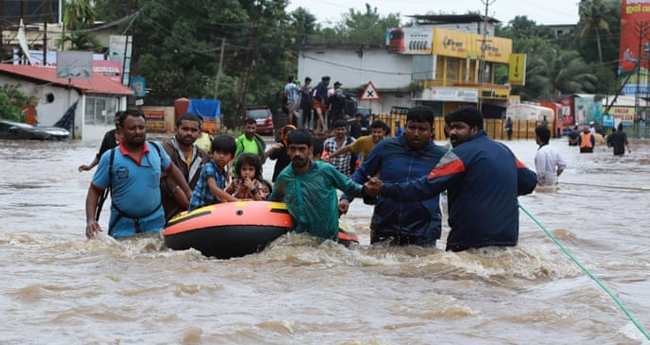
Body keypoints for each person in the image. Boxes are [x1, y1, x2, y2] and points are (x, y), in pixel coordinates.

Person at [364, 106, 537, 252]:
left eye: (459, 128)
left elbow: (425, 187)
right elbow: (529, 181)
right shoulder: (504, 150)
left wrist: (384, 189)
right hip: (507, 239)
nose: (453, 132)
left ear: (474, 129)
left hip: (468, 240)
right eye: (451, 127)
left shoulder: (458, 155)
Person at [339, 106, 447, 247]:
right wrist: (346, 198)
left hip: (423, 230)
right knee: (378, 266)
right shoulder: (386, 146)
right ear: (405, 126)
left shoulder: (442, 156)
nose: (416, 133)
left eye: (422, 129)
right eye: (412, 128)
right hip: (385, 223)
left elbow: (457, 188)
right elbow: (362, 173)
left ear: (432, 131)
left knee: (422, 267)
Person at [84, 109, 192, 239]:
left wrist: (188, 191)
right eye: (132, 128)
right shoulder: (110, 157)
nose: (138, 132)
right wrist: (90, 219)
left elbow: (172, 170)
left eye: (141, 127)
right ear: (121, 130)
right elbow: (95, 190)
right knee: (120, 256)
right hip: (122, 225)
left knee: (159, 256)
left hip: (155, 223)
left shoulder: (157, 150)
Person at [268, 129, 369, 241]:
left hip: (329, 242)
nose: (297, 154)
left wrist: (368, 190)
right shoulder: (284, 177)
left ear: (310, 150)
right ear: (287, 150)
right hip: (301, 242)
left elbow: (350, 187)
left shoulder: (325, 170)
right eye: (293, 149)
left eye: (302, 149)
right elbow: (273, 202)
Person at [160, 113, 211, 221]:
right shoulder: (164, 151)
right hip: (169, 212)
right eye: (185, 129)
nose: (189, 133)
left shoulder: (204, 156)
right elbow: (171, 186)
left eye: (193, 130)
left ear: (199, 133)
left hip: (195, 212)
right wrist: (194, 211)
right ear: (176, 130)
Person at [188, 135, 238, 211]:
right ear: (211, 153)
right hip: (198, 208)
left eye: (225, 154)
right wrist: (235, 200)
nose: (221, 156)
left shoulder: (222, 173)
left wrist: (231, 204)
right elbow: (214, 189)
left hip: (209, 208)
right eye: (218, 152)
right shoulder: (209, 167)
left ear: (232, 157)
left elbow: (220, 196)